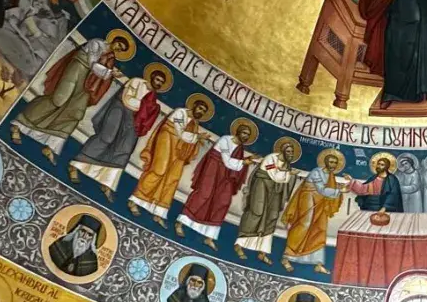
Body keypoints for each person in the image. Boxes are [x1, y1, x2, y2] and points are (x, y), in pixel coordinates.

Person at [12, 35, 128, 162]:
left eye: (121, 49)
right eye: (119, 45)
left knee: (76, 112)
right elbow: (92, 63)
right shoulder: (97, 43)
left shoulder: (111, 57)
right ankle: (19, 124)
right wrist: (109, 73)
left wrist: (110, 74)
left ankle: (51, 145)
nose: (118, 49)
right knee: (58, 100)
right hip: (78, 68)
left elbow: (103, 75)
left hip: (89, 82)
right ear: (114, 41)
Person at [67, 70, 165, 201]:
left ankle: (107, 183)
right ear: (152, 77)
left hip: (133, 120)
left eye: (161, 82)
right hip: (120, 108)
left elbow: (147, 115)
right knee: (107, 137)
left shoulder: (153, 99)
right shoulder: (137, 82)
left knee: (124, 150)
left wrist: (147, 109)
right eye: (157, 79)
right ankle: (75, 165)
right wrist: (145, 106)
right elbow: (127, 99)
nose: (158, 83)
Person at [128, 96, 211, 225]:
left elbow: (190, 140)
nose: (200, 112)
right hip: (167, 139)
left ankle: (159, 212)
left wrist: (196, 140)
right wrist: (198, 137)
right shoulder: (180, 112)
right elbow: (180, 132)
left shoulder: (194, 124)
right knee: (159, 170)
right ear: (194, 106)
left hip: (180, 151)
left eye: (203, 111)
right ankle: (135, 199)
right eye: (200, 108)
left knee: (173, 178)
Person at [176, 119, 256, 247]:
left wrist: (247, 161)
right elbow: (227, 161)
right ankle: (180, 222)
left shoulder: (240, 148)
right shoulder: (225, 140)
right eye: (244, 133)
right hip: (213, 169)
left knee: (223, 201)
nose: (245, 136)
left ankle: (209, 236)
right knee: (204, 194)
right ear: (238, 132)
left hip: (225, 176)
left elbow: (234, 164)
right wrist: (245, 162)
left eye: (248, 135)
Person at [280, 150, 348, 274]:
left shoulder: (331, 176)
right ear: (325, 162)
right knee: (305, 224)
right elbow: (321, 189)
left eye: (335, 163)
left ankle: (318, 263)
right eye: (331, 162)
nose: (333, 165)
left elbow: (327, 190)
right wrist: (339, 191)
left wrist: (338, 189)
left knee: (320, 228)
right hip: (308, 197)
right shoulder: (316, 172)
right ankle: (287, 256)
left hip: (320, 202)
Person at [234, 138, 299, 264]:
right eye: (289, 151)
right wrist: (286, 172)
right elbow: (271, 171)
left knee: (271, 217)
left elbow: (283, 179)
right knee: (256, 212)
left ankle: (262, 252)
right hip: (262, 186)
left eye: (292, 152)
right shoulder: (271, 158)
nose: (291, 154)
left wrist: (289, 173)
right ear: (282, 151)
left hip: (275, 192)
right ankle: (239, 245)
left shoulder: (287, 165)